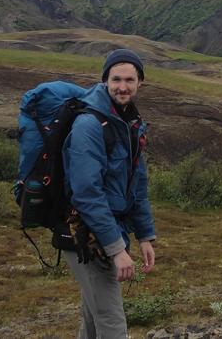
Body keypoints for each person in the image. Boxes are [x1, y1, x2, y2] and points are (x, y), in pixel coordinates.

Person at [63, 48, 157, 338]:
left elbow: (137, 183)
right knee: (112, 321)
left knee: (94, 317)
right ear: (105, 80)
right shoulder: (90, 125)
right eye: (116, 79)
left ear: (140, 82)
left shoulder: (129, 123)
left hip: (108, 230)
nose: (122, 87)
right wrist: (116, 249)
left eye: (129, 80)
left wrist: (144, 235)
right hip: (85, 233)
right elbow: (87, 194)